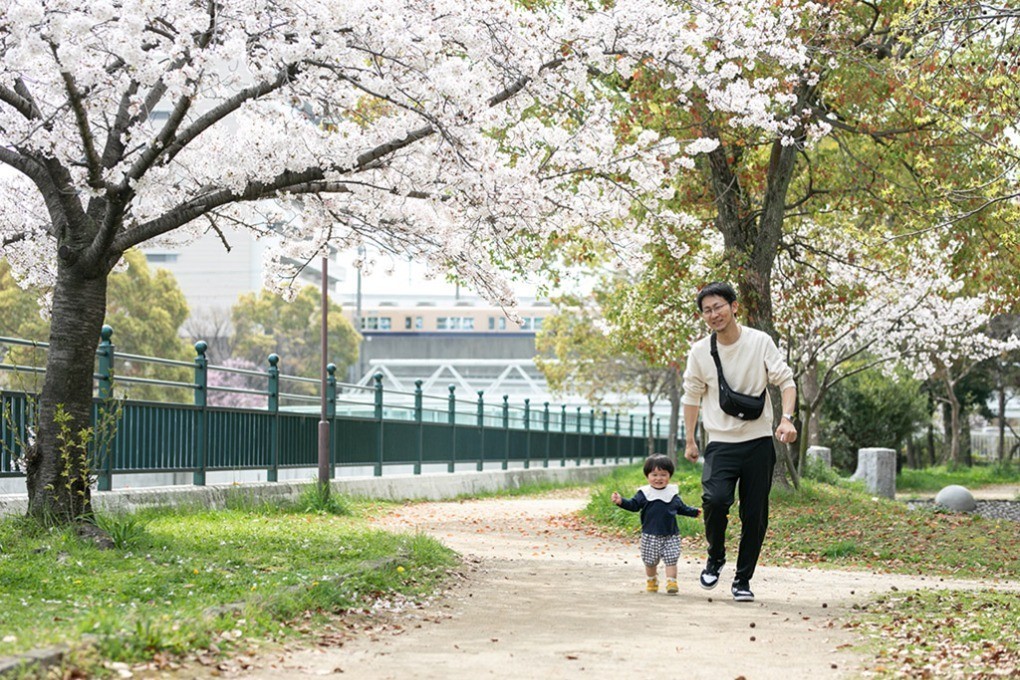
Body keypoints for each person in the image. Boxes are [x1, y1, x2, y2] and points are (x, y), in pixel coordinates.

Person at [681, 281, 797, 603]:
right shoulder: (700, 352)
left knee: (755, 514)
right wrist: (691, 440)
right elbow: (691, 396)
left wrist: (787, 418)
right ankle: (715, 556)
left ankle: (743, 579)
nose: (713, 314)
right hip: (719, 442)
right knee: (715, 500)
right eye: (706, 310)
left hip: (758, 442)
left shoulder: (760, 342)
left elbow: (786, 382)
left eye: (718, 306)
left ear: (734, 307)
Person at [612, 454, 701, 594]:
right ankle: (652, 579)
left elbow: (681, 508)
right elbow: (634, 505)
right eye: (654, 475)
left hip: (671, 534)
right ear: (647, 476)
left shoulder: (672, 493)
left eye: (663, 474)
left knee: (672, 558)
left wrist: (695, 512)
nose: (658, 478)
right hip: (650, 534)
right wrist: (621, 501)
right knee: (650, 561)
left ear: (669, 476)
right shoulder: (644, 494)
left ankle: (672, 582)